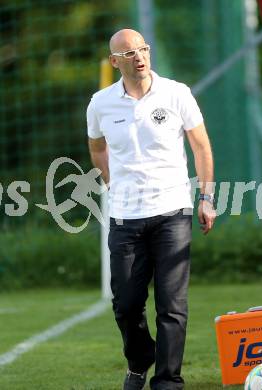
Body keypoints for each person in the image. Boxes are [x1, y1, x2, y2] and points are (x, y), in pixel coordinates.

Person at [87, 29, 216, 390]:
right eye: (129, 53)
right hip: (125, 217)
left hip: (173, 212)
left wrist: (206, 199)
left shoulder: (177, 93)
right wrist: (111, 182)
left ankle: (167, 381)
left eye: (143, 49)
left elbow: (201, 148)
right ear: (115, 62)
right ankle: (140, 359)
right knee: (126, 304)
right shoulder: (100, 103)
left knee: (171, 305)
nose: (139, 56)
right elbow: (97, 149)